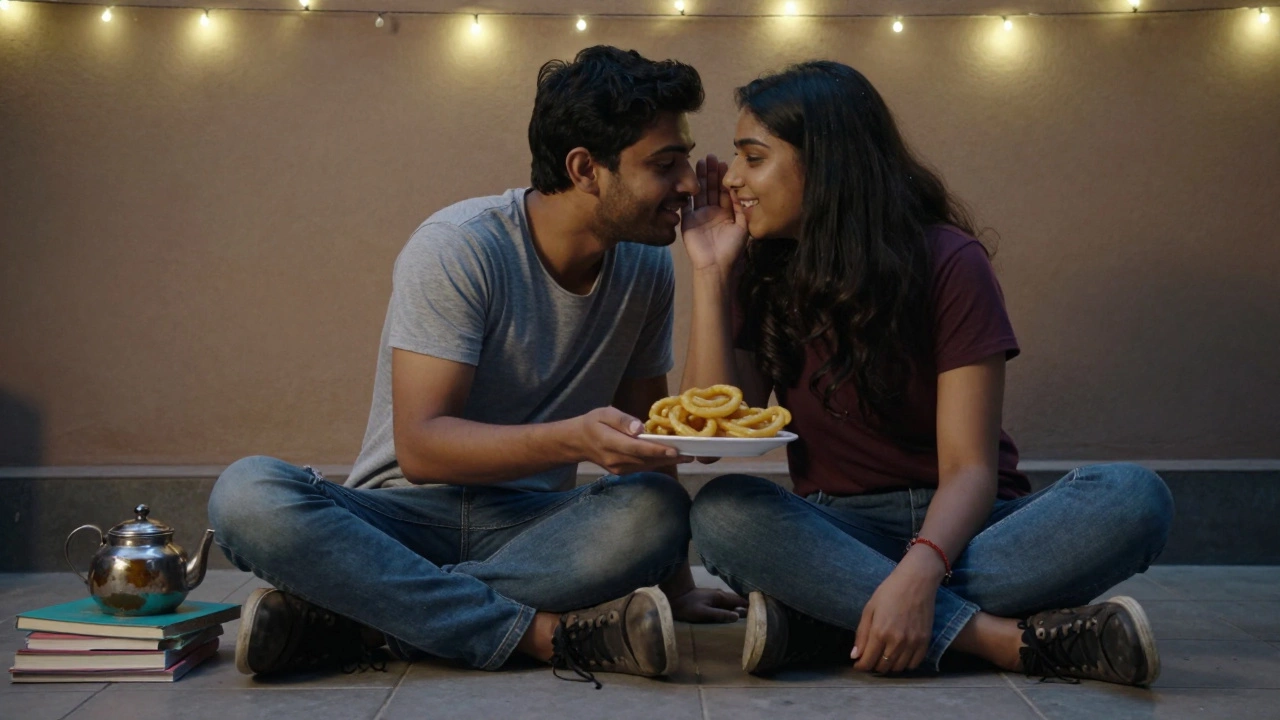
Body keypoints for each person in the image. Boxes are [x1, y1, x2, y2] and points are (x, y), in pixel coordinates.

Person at [207, 45, 747, 687]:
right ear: (585, 169)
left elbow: (649, 442)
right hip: (403, 520)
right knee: (246, 493)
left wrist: (678, 584)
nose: (690, 183)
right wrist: (571, 438)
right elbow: (424, 448)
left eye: (685, 158)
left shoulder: (647, 266)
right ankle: (542, 635)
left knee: (657, 509)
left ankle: (358, 620)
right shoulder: (460, 247)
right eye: (666, 164)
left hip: (534, 529)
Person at [678, 61, 1174, 686]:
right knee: (723, 513)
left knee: (1134, 498)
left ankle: (831, 618)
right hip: (839, 527)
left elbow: (969, 469)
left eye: (755, 157)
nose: (735, 181)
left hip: (969, 529)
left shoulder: (948, 260)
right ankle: (996, 640)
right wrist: (710, 272)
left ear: (827, 163)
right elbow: (707, 442)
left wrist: (920, 571)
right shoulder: (762, 269)